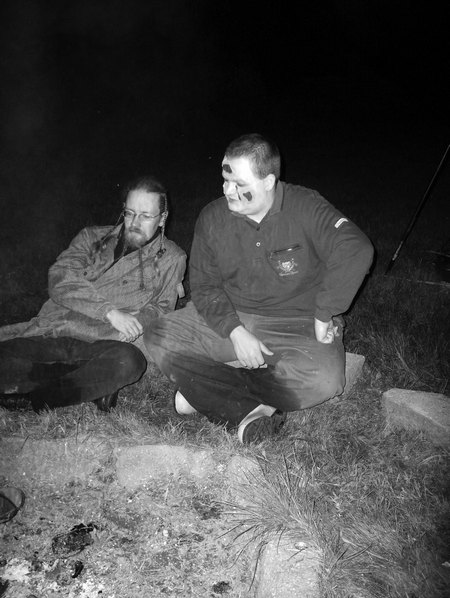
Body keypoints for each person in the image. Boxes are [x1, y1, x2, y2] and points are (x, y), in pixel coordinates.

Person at [144, 134, 374, 443]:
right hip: (230, 313)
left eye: (239, 184)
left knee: (326, 380)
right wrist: (236, 331)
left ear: (268, 182)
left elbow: (356, 248)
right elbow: (204, 285)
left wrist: (324, 313)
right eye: (225, 180)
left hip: (296, 321)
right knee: (159, 335)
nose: (227, 190)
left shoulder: (304, 206)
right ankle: (251, 406)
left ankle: (200, 391)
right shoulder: (213, 217)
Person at [0, 175, 186, 412]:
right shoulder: (91, 237)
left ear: (163, 218)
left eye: (146, 216)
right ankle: (86, 384)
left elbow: (162, 307)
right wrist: (109, 312)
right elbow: (59, 278)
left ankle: (37, 396)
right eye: (130, 213)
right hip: (57, 329)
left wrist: (136, 322)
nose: (135, 222)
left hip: (106, 341)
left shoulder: (172, 257)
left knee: (128, 362)